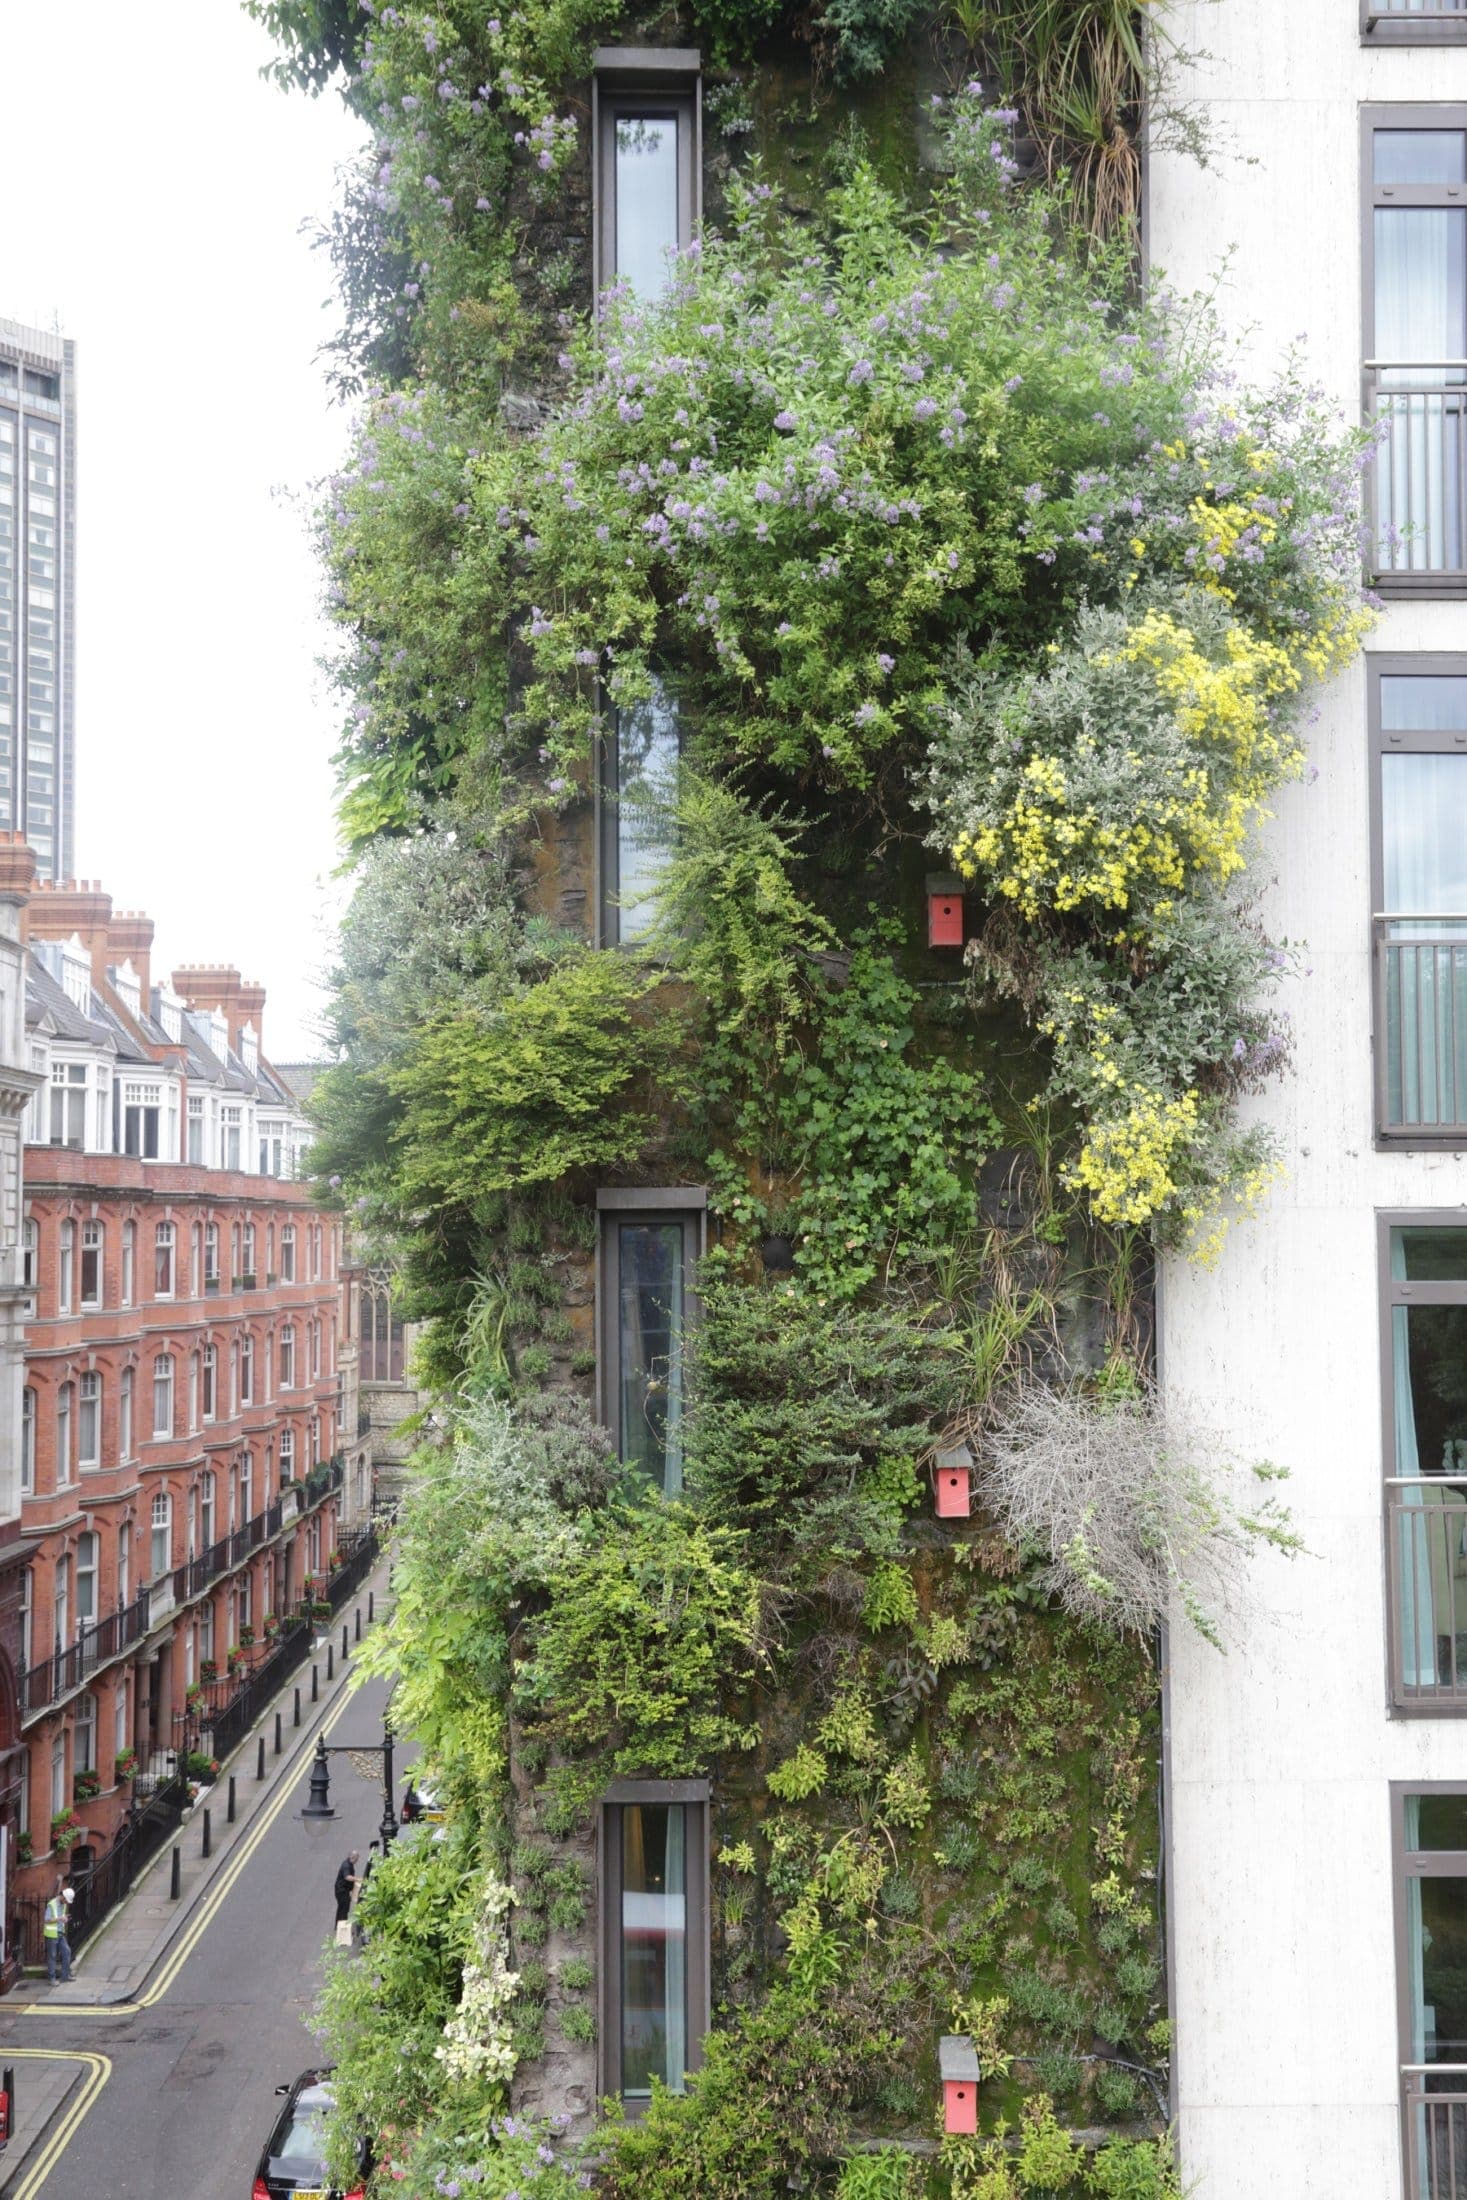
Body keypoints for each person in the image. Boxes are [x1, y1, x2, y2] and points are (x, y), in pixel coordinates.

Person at [44, 1881, 73, 1985]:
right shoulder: (51, 1904)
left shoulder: (63, 1905)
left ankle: (65, 1976)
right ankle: (52, 1979)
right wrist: (60, 1918)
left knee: (67, 1952)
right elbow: (46, 1920)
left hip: (60, 1933)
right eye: (66, 1900)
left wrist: (65, 1919)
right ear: (63, 1897)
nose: (66, 1903)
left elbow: (60, 1917)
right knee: (52, 1956)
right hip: (51, 1935)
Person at [333, 1851, 359, 1927]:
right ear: (353, 1857)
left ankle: (339, 1925)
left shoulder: (349, 1863)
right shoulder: (346, 1866)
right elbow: (347, 1877)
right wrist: (357, 1879)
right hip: (341, 1891)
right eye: (356, 1860)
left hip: (344, 1890)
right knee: (343, 1909)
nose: (356, 1862)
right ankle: (342, 1927)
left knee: (343, 1908)